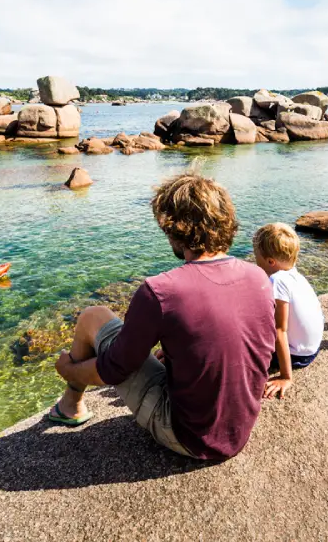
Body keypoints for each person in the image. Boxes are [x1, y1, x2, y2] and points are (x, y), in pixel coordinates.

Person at [50, 170, 276, 460]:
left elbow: (114, 370)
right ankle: (71, 404)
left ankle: (71, 404)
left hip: (189, 437)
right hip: (239, 430)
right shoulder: (257, 277)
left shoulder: (160, 291)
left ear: (172, 227)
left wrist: (69, 369)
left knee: (93, 316)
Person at [252, 223, 324, 399]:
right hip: (311, 347)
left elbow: (279, 330)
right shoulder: (296, 276)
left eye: (257, 258)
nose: (255, 262)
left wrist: (286, 377)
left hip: (297, 355)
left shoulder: (277, 280)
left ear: (270, 261)